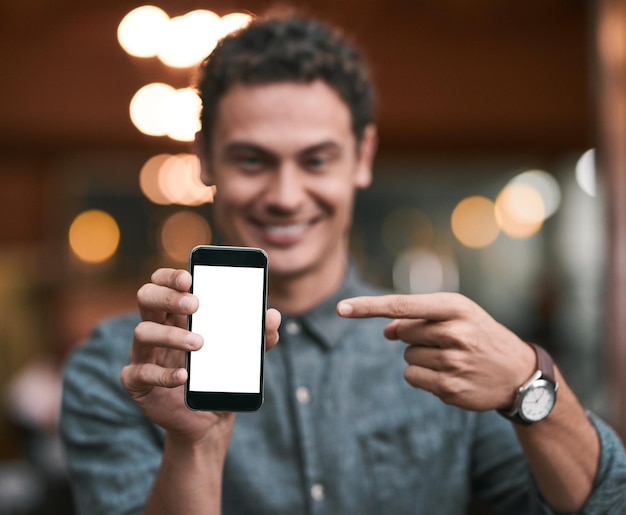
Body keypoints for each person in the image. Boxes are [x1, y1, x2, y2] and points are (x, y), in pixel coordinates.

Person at [59, 9, 626, 515]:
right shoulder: (120, 369)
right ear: (204, 158)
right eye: (252, 160)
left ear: (363, 156)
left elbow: (608, 502)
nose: (285, 194)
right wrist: (195, 446)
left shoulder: (451, 354)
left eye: (316, 160)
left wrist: (529, 384)